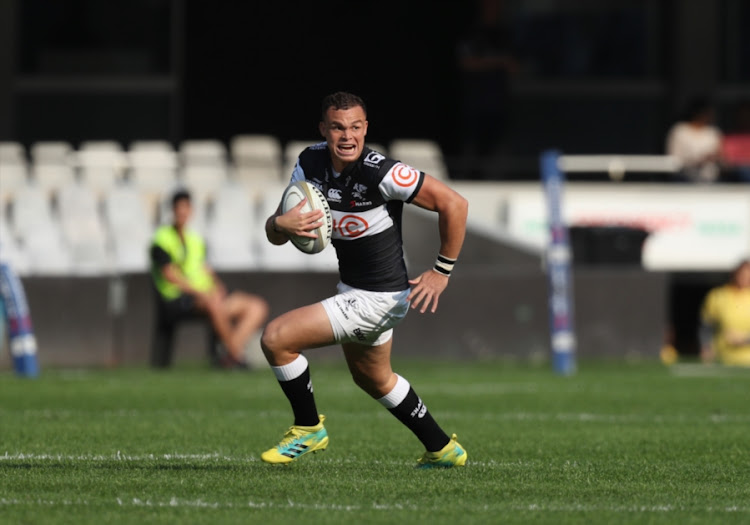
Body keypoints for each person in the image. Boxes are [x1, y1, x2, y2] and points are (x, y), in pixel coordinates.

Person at [260, 92, 469, 468]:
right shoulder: (310, 161)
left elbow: (454, 204)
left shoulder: (381, 172)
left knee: (276, 339)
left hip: (380, 297)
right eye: (338, 127)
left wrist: (441, 271)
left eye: (356, 127)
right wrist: (280, 223)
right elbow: (275, 231)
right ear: (323, 129)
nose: (347, 136)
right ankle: (442, 448)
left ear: (366, 128)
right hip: (356, 290)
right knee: (374, 379)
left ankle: (308, 428)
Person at [150, 188, 269, 368]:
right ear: (173, 210)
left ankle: (229, 353)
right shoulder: (162, 238)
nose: (182, 212)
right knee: (214, 304)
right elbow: (169, 276)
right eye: (179, 208)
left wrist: (218, 286)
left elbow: (205, 268)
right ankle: (237, 357)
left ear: (191, 210)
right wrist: (201, 293)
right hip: (177, 299)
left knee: (256, 306)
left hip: (206, 295)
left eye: (186, 207)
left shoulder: (195, 239)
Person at [700, 259, 750, 367]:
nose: (745, 278)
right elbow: (706, 326)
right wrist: (706, 347)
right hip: (723, 358)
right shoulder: (717, 295)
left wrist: (745, 339)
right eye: (742, 274)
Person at [666, 96, 724, 183]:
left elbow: (720, 155)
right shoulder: (680, 130)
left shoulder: (713, 132)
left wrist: (716, 157)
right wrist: (698, 160)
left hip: (710, 180)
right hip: (684, 178)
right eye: (706, 113)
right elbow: (674, 157)